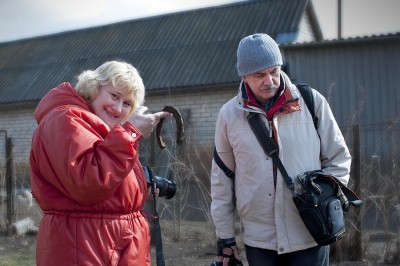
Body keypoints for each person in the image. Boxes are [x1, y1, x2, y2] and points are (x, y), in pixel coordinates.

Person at [210, 33, 352, 266]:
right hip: (260, 240)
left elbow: (339, 157)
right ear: (244, 75)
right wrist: (225, 237)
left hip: (309, 233)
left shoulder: (311, 101)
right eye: (259, 75)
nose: (269, 80)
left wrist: (326, 200)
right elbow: (222, 178)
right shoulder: (229, 115)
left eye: (274, 71)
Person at [29, 60, 171, 265]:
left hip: (102, 244)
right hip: (85, 246)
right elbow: (88, 182)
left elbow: (101, 181)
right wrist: (131, 133)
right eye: (114, 96)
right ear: (94, 87)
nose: (118, 108)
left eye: (127, 103)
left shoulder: (97, 127)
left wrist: (137, 191)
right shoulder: (66, 118)